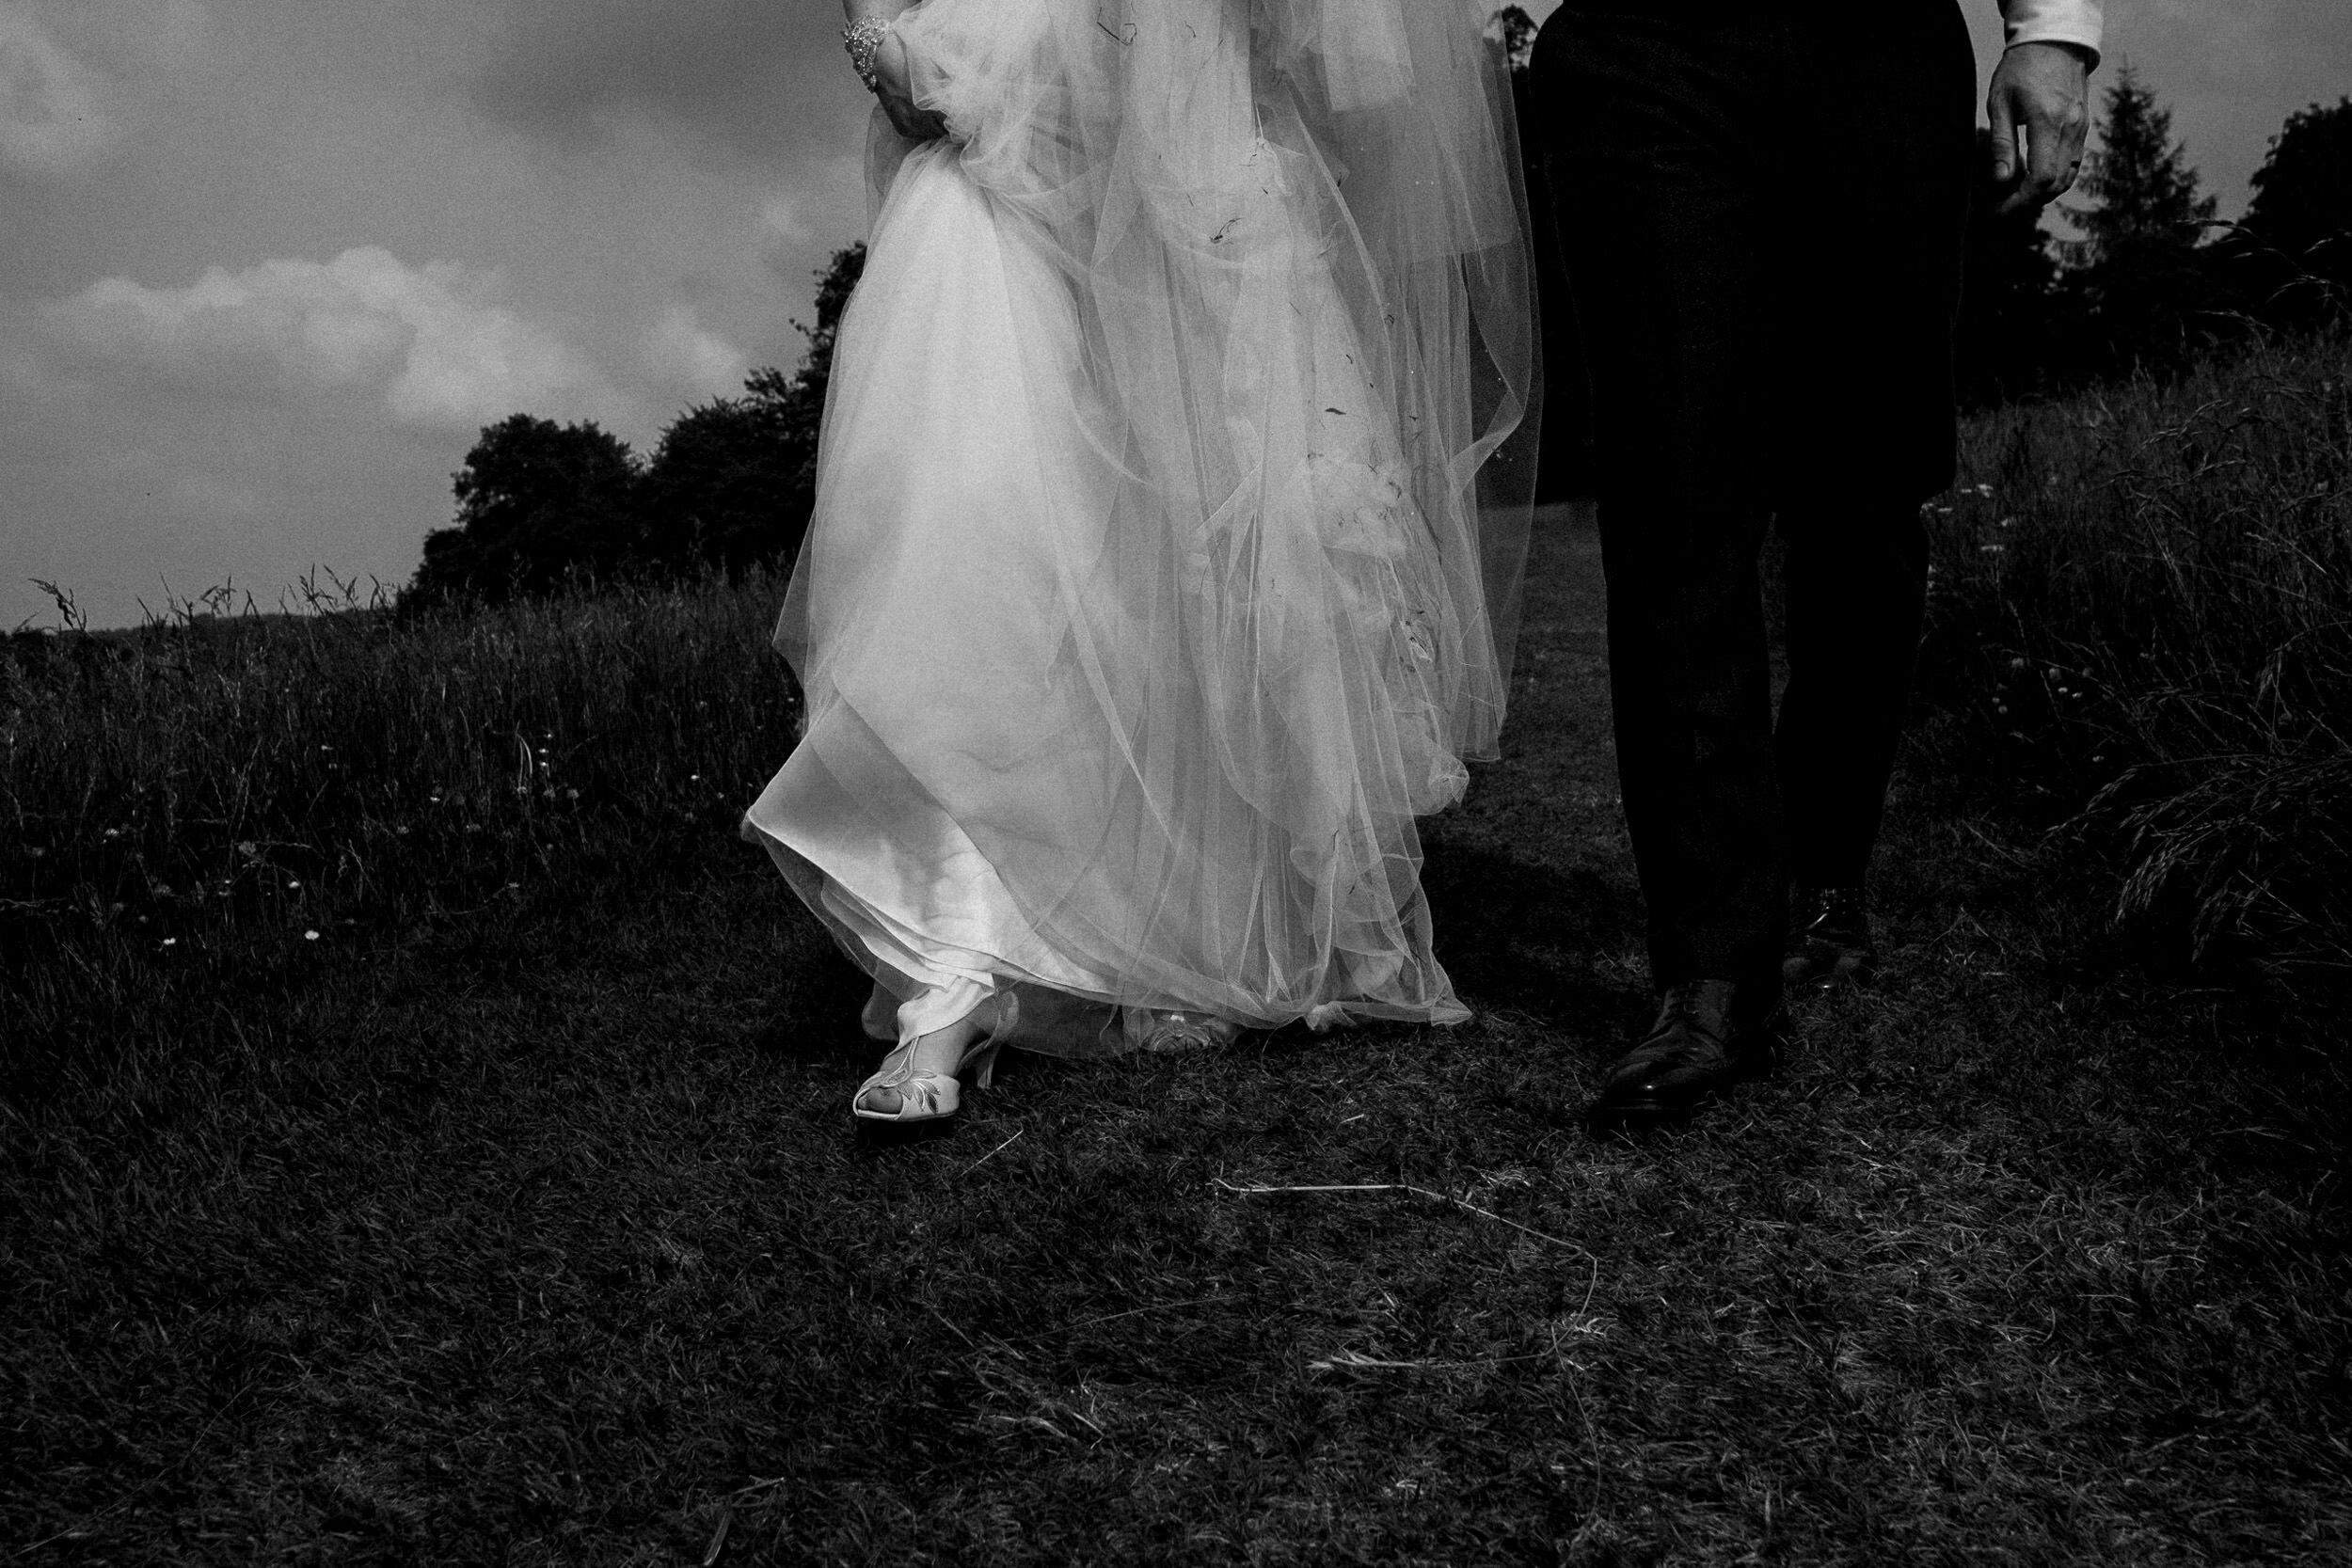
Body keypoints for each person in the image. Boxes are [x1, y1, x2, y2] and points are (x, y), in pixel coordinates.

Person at [743, 0, 1539, 1123]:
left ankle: (1176, 928)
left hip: (1186, 186)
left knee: (1182, 578)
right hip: (987, 187)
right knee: (962, 534)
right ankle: (953, 963)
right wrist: (898, 34)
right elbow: (905, 74)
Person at [1525, 0, 2102, 1131]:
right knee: (1674, 494)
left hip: (1874, 45)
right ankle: (1712, 968)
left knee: (1863, 495)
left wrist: (2051, 29)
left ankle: (1821, 863)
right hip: (1639, 48)